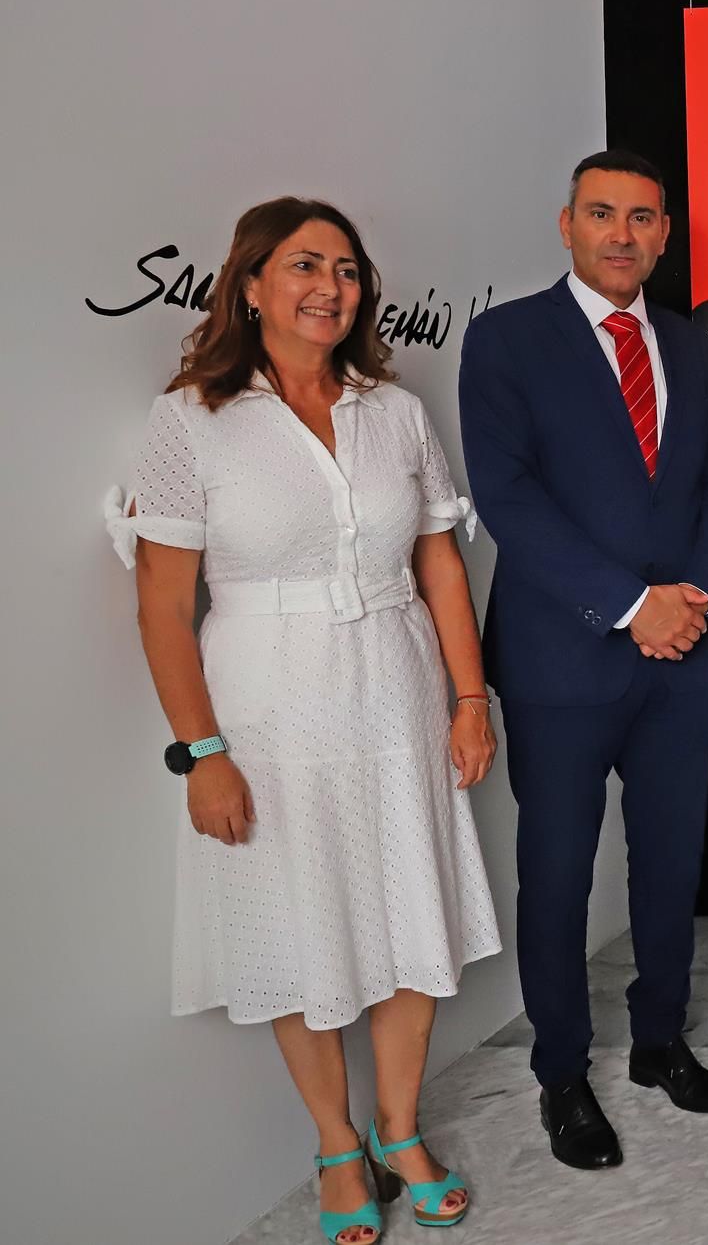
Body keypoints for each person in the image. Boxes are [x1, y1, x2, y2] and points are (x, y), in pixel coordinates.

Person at [108, 197, 498, 1245]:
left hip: (397, 690)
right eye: (303, 265)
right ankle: (335, 1143)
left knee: (413, 920)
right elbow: (160, 601)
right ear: (248, 285)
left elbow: (437, 562)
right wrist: (202, 752)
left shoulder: (393, 406)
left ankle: (400, 1128)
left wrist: (471, 697)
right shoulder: (189, 417)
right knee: (299, 921)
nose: (330, 285)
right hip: (268, 713)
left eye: (347, 268)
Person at [458, 150, 708, 1172]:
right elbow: (508, 497)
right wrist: (631, 605)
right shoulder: (506, 340)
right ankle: (563, 1071)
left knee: (671, 859)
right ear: (566, 224)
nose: (621, 233)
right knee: (558, 870)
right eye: (600, 213)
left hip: (680, 654)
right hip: (562, 656)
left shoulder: (688, 346)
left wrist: (694, 599)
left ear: (664, 233)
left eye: (641, 216)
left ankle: (660, 1039)